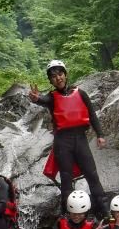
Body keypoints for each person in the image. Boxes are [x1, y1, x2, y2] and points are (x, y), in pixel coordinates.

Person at [28, 60, 109, 218]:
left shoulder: (81, 93)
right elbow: (43, 100)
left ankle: (105, 210)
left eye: (60, 74)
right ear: (50, 81)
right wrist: (36, 98)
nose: (58, 78)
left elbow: (92, 114)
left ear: (65, 75)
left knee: (92, 174)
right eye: (53, 76)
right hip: (62, 142)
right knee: (66, 178)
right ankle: (67, 214)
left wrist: (100, 135)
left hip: (80, 139)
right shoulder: (51, 97)